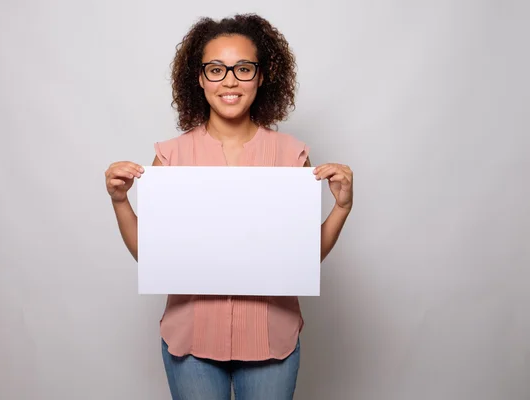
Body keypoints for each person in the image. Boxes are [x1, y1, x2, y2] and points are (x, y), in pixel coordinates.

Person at [105, 13, 353, 400]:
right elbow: (152, 256)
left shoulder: (292, 155)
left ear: (263, 75)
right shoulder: (170, 157)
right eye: (217, 69)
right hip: (190, 340)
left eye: (243, 68)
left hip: (272, 339)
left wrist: (340, 208)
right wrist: (120, 201)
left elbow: (303, 259)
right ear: (200, 78)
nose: (230, 81)